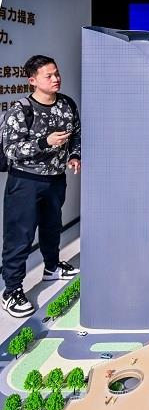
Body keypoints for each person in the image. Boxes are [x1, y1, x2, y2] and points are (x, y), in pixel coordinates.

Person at [1, 55, 80, 318]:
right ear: (32, 81)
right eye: (49, 76)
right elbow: (11, 150)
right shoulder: (21, 110)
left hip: (55, 179)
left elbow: (76, 134)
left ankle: (52, 267)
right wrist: (45, 142)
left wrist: (74, 155)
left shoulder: (67, 104)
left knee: (52, 226)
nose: (56, 79)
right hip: (25, 181)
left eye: (57, 73)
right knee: (19, 237)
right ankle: (12, 290)